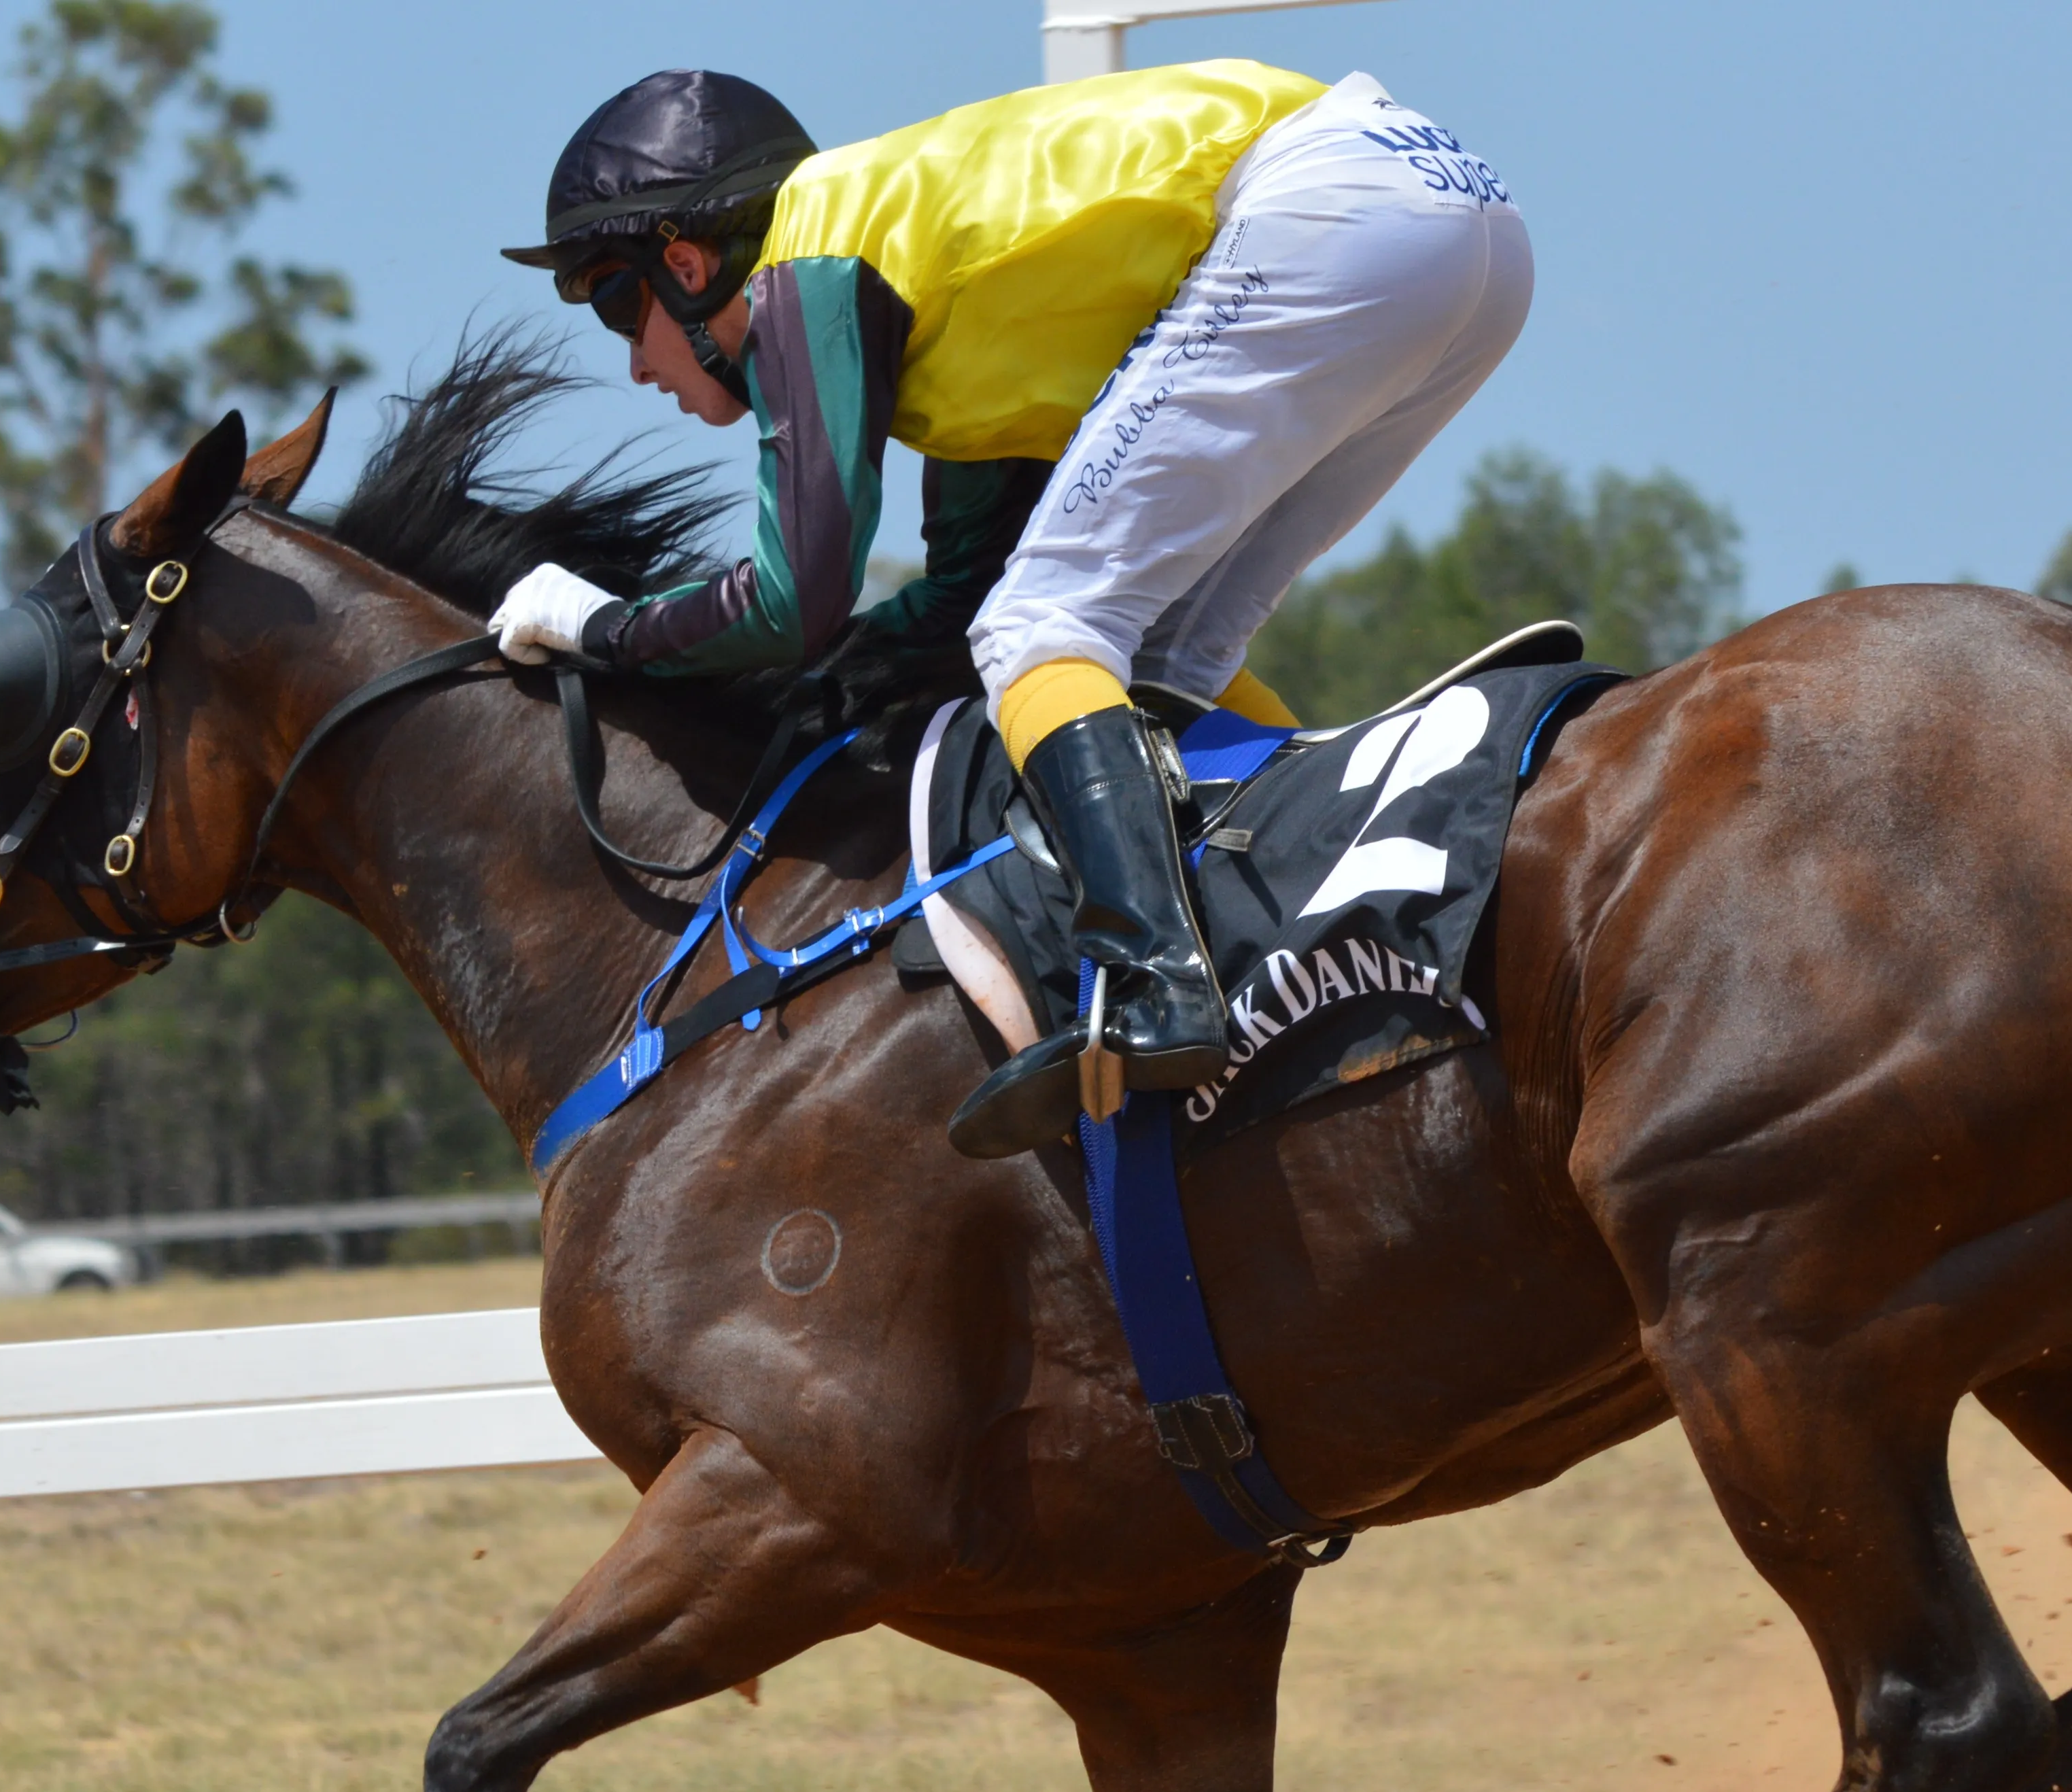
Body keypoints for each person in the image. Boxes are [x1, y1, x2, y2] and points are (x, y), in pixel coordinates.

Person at [488, 61, 1532, 1154]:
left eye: (616, 299)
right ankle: (1317, 929)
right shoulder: (928, 295)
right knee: (1162, 642)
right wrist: (833, 676)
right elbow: (955, 598)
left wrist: (599, 626)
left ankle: (1155, 988)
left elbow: (797, 594)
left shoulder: (810, 264)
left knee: (1045, 631)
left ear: (690, 264)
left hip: (1338, 212)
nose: (632, 360)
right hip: (1464, 225)